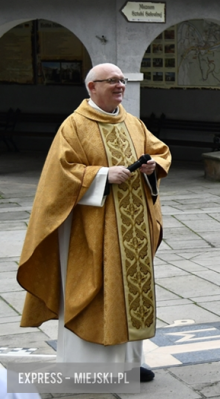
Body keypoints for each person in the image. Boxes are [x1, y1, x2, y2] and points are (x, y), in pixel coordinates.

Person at [16, 63, 171, 382]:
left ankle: (128, 364)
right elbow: (59, 175)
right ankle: (84, 367)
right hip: (91, 230)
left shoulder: (133, 123)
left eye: (121, 81)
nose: (119, 86)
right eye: (111, 81)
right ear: (92, 87)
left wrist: (152, 165)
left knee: (130, 293)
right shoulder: (74, 125)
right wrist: (101, 175)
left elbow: (159, 151)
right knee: (95, 291)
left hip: (132, 230)